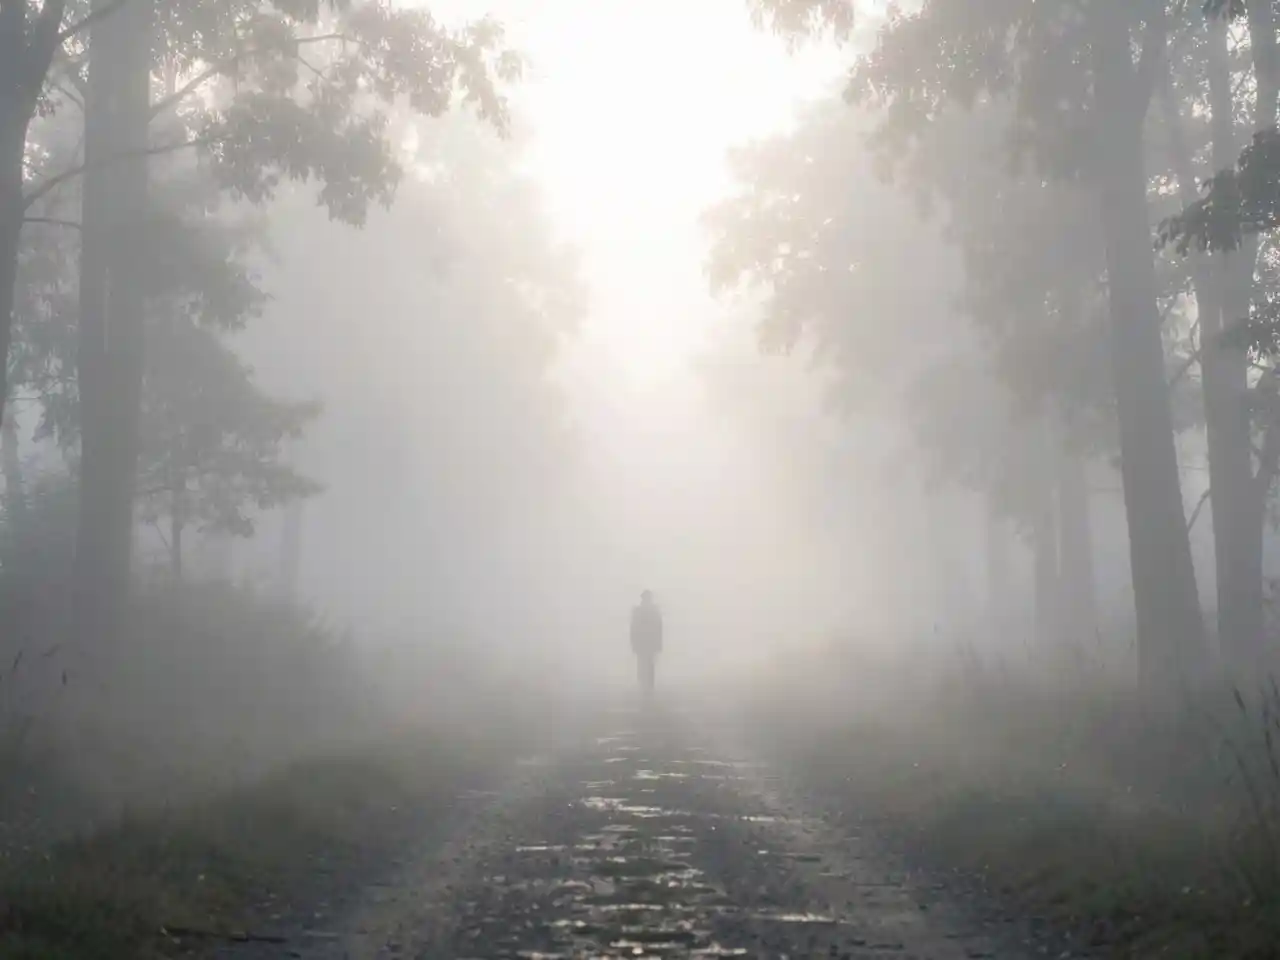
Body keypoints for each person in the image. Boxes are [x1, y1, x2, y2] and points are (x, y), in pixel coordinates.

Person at [630, 589, 663, 696]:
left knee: (648, 664)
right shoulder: (640, 611)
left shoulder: (651, 611)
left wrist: (659, 643)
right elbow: (633, 628)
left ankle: (648, 686)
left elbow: (659, 628)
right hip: (643, 643)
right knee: (643, 664)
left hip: (649, 643)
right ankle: (645, 685)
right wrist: (633, 642)